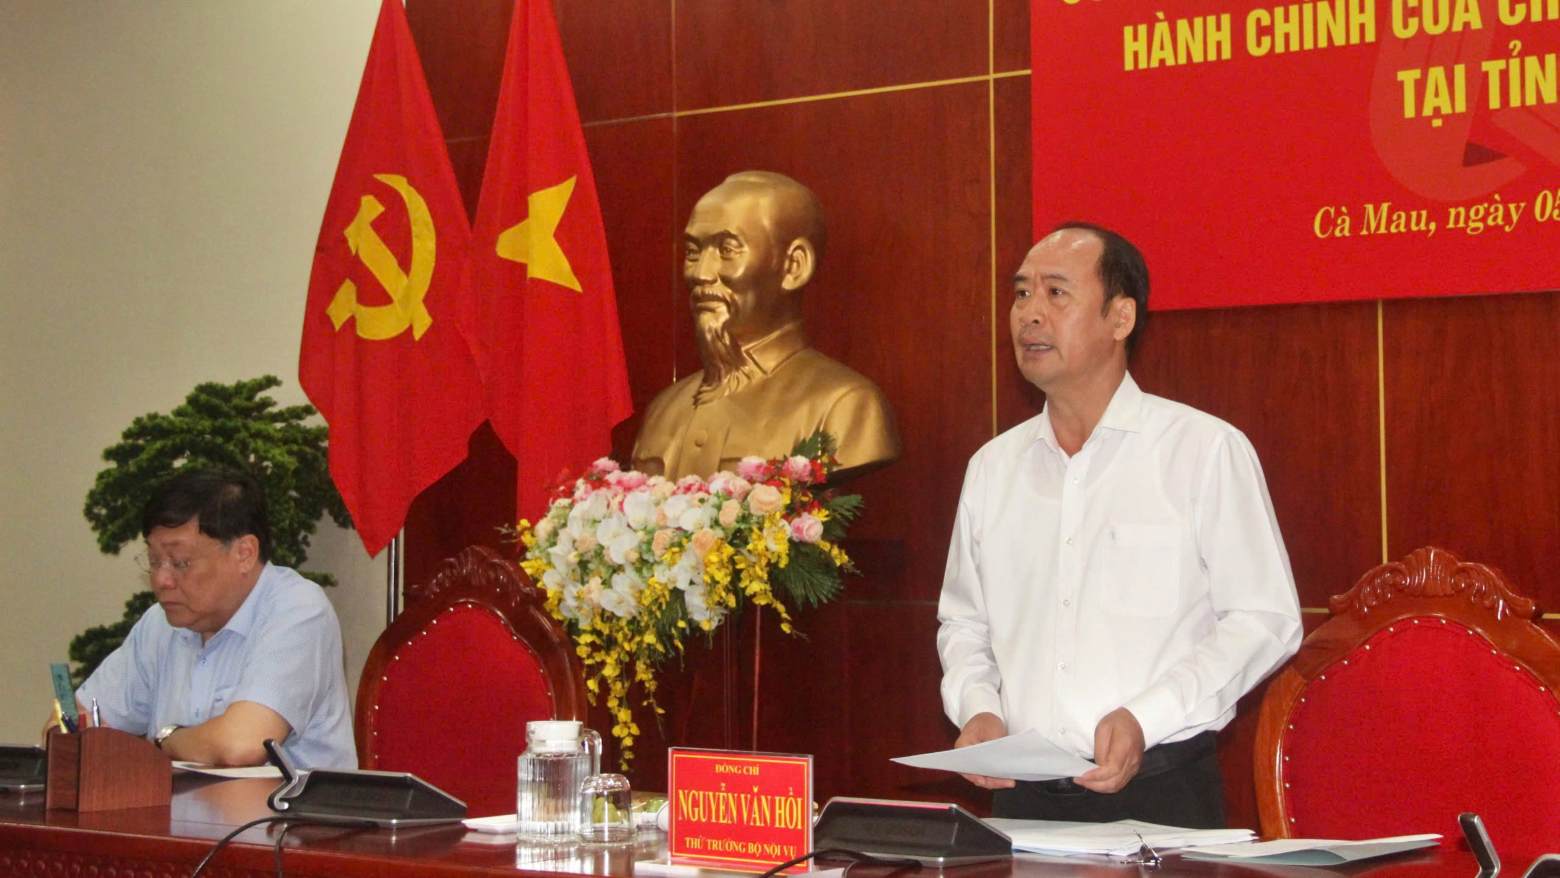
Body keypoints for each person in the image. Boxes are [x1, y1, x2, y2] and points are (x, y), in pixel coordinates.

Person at [936, 222, 1301, 826]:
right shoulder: (993, 468)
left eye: (1057, 293)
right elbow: (964, 621)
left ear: (1121, 317)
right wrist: (978, 707)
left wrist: (1147, 717)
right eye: (1022, 293)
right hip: (1021, 799)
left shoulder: (1202, 450)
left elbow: (1265, 619)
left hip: (1161, 793)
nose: (1030, 314)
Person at [71, 469, 356, 769]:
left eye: (180, 562)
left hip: (283, 801)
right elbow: (77, 725)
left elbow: (242, 745)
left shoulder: (298, 610)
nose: (161, 580)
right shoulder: (159, 624)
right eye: (154, 561)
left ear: (244, 553)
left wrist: (165, 739)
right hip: (183, 801)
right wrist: (68, 733)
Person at [631, 170, 899, 480]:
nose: (700, 273)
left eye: (727, 250)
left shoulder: (846, 406)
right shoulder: (663, 410)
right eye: (693, 252)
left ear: (794, 266)